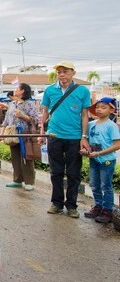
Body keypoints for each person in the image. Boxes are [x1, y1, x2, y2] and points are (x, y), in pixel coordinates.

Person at [39, 61, 91, 218]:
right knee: (56, 172)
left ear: (73, 73)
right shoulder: (49, 90)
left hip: (75, 137)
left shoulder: (82, 91)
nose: (62, 74)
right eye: (59, 72)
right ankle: (56, 203)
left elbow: (84, 115)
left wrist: (84, 137)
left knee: (74, 173)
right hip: (54, 136)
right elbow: (45, 113)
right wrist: (42, 132)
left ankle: (72, 205)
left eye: (65, 71)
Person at [82, 97, 120, 223]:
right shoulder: (91, 124)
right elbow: (85, 140)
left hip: (107, 161)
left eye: (103, 107)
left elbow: (117, 144)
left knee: (106, 185)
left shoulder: (111, 126)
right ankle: (98, 206)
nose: (99, 110)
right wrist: (85, 150)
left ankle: (107, 210)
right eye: (97, 107)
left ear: (111, 110)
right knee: (94, 184)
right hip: (94, 160)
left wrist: (99, 153)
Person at [1, 83, 40, 191]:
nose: (14, 90)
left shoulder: (30, 104)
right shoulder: (12, 103)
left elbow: (35, 120)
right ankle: (17, 180)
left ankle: (29, 181)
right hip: (13, 133)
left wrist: (22, 115)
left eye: (16, 88)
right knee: (15, 157)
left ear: (22, 91)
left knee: (27, 157)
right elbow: (6, 120)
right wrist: (3, 132)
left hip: (25, 133)